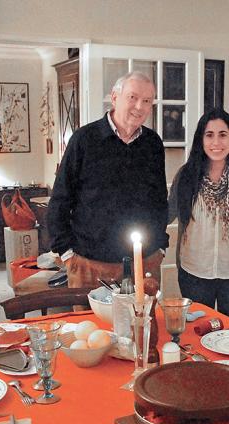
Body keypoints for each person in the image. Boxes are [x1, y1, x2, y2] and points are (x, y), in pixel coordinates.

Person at [47, 71, 168, 288]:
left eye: (147, 101)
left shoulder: (153, 144)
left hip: (145, 262)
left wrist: (161, 246)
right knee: (89, 324)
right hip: (89, 263)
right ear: (114, 97)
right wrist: (66, 252)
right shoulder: (84, 140)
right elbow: (60, 199)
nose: (139, 106)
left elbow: (159, 199)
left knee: (144, 322)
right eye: (133, 97)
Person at [168, 109, 229, 321]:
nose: (216, 142)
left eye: (223, 134)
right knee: (197, 332)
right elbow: (168, 212)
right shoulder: (187, 175)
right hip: (194, 270)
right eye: (209, 135)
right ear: (201, 139)